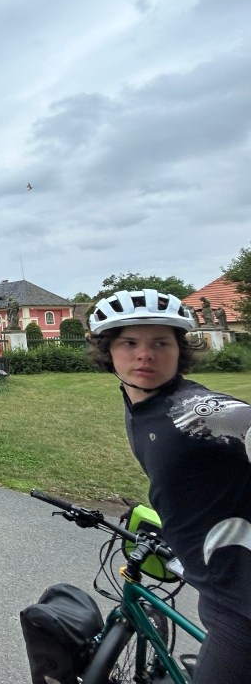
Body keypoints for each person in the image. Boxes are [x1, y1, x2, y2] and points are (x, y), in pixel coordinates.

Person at [87, 289, 251, 683]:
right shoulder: (141, 404)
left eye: (161, 343)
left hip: (242, 604)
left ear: (180, 351)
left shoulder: (195, 410)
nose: (145, 355)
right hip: (215, 581)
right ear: (109, 351)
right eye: (129, 343)